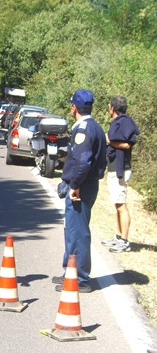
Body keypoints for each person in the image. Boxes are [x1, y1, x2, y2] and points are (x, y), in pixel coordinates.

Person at [52, 89, 106, 293]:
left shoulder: (83, 129)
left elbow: (83, 162)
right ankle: (70, 271)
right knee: (72, 229)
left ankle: (80, 278)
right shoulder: (94, 126)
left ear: (73, 107)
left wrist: (74, 185)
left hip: (82, 186)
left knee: (78, 231)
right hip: (85, 183)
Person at [101, 96, 140, 253]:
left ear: (112, 108)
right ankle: (118, 236)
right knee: (117, 204)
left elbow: (126, 143)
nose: (108, 108)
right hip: (116, 167)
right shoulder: (121, 122)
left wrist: (109, 141)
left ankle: (124, 241)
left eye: (109, 106)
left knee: (121, 205)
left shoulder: (123, 122)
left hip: (121, 169)